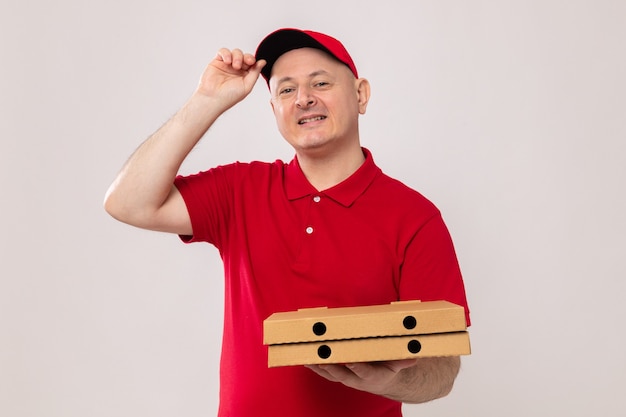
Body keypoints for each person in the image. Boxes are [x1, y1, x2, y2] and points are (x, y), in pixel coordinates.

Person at [104, 28, 471, 416]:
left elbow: (443, 367)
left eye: (321, 83)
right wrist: (206, 102)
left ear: (361, 94)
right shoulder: (240, 189)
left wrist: (389, 382)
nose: (304, 99)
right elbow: (128, 203)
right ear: (274, 109)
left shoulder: (415, 217)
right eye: (286, 90)